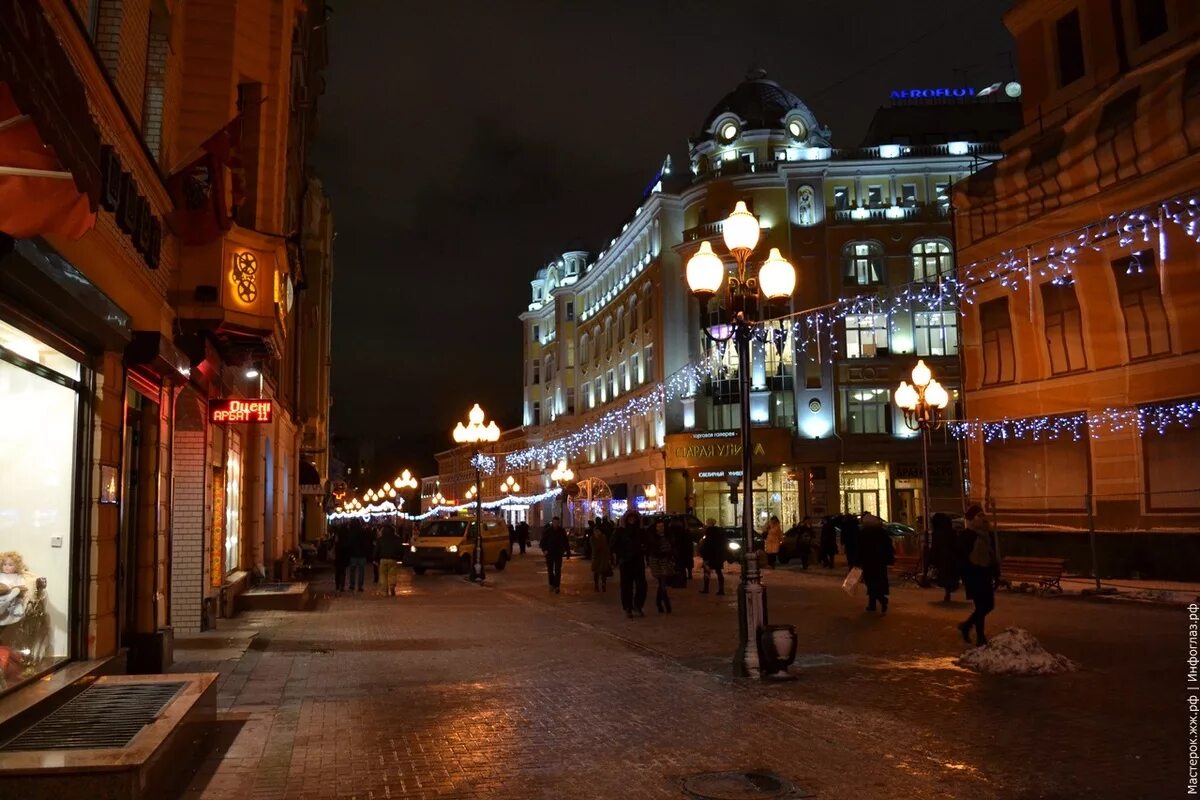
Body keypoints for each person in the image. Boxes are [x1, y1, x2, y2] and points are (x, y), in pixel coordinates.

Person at [959, 504, 999, 645]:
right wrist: (965, 575)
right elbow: (962, 557)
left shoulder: (986, 535)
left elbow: (992, 556)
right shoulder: (967, 535)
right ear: (971, 519)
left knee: (987, 605)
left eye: (983, 515)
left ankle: (967, 626)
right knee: (982, 606)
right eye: (979, 515)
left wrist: (996, 574)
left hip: (985, 574)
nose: (983, 518)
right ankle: (979, 636)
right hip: (974, 575)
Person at [609, 510, 648, 618]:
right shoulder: (620, 531)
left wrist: (643, 550)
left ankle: (638, 605)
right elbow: (613, 544)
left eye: (634, 518)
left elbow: (647, 543)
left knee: (641, 585)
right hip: (625, 562)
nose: (632, 520)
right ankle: (628, 607)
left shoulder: (640, 531)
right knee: (626, 586)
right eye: (630, 518)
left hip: (638, 561)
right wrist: (619, 555)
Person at [858, 512, 894, 614]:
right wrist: (889, 559)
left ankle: (881, 600)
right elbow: (888, 547)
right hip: (880, 562)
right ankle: (872, 604)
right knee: (878, 582)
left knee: (871, 583)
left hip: (868, 562)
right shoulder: (882, 532)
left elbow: (861, 548)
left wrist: (858, 561)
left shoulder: (864, 533)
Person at [931, 512, 960, 602]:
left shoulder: (937, 533)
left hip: (943, 558)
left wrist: (933, 558)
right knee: (949, 575)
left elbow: (935, 547)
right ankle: (948, 590)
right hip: (951, 558)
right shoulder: (951, 532)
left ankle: (947, 591)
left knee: (945, 575)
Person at [648, 519, 675, 614]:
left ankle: (660, 603)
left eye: (662, 526)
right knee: (662, 584)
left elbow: (672, 547)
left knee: (662, 584)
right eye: (659, 526)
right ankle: (664, 604)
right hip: (656, 562)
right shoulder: (653, 538)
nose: (661, 528)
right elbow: (652, 550)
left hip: (666, 561)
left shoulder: (668, 536)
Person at [375, 524, 406, 596]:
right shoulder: (397, 539)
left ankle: (384, 590)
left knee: (383, 575)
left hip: (383, 559)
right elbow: (401, 549)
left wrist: (375, 558)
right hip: (393, 559)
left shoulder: (380, 539)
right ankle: (392, 586)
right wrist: (400, 557)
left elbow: (377, 550)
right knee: (392, 574)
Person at [541, 516, 570, 594]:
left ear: (558, 523)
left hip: (558, 553)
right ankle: (551, 583)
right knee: (550, 570)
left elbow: (565, 541)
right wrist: (544, 550)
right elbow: (543, 542)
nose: (556, 524)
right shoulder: (548, 531)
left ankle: (557, 586)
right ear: (552, 522)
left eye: (557, 523)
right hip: (549, 553)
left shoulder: (561, 531)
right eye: (554, 522)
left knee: (558, 570)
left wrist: (568, 551)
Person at [699, 520, 727, 595]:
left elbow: (705, 547)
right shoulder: (719, 534)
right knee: (719, 572)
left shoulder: (708, 536)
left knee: (707, 572)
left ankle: (706, 588)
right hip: (717, 556)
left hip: (708, 557)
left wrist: (703, 554)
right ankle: (721, 589)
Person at [346, 520, 372, 592]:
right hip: (362, 555)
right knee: (361, 571)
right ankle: (360, 586)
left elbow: (349, 544)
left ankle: (352, 585)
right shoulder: (363, 532)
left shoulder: (350, 533)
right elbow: (367, 543)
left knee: (352, 571)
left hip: (353, 554)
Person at [590, 519, 613, 592]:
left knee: (603, 572)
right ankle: (596, 585)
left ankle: (603, 584)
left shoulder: (603, 537)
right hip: (596, 557)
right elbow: (594, 548)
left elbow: (605, 547)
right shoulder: (592, 538)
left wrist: (609, 557)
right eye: (595, 531)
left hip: (603, 557)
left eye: (598, 531)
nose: (597, 532)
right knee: (596, 572)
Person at [333, 523, 351, 592]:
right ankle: (342, 586)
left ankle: (337, 585)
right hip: (344, 555)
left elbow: (335, 543)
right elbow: (348, 546)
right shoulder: (347, 536)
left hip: (338, 555)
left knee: (337, 572)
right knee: (343, 571)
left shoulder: (338, 535)